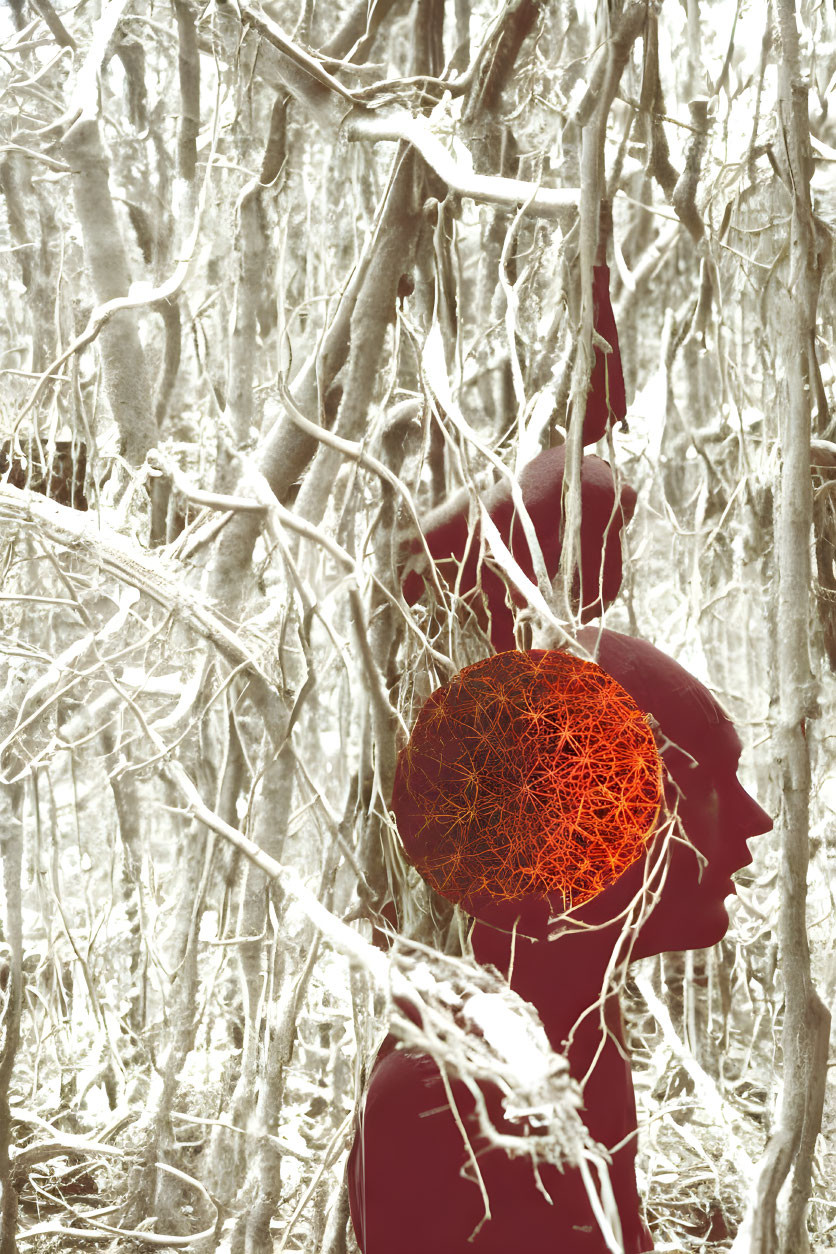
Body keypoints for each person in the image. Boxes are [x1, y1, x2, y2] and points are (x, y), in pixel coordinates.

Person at [347, 628, 772, 1253]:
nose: (755, 820)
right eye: (711, 779)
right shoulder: (446, 1097)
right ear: (590, 817)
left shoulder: (575, 1023)